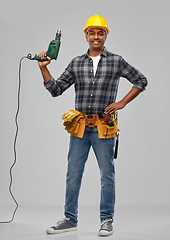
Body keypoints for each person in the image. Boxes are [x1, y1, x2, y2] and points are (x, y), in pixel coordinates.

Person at [38, 15, 148, 237]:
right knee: (73, 174)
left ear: (105, 35)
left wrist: (122, 102)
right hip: (79, 127)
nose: (95, 37)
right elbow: (56, 89)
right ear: (86, 35)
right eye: (92, 33)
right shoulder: (76, 63)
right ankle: (70, 219)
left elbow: (141, 80)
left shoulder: (116, 61)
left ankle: (106, 220)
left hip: (104, 127)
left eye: (100, 33)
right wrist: (43, 68)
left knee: (107, 175)